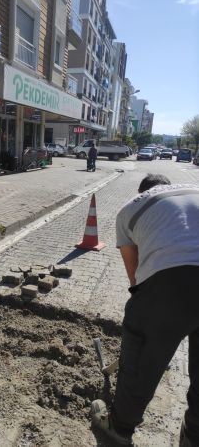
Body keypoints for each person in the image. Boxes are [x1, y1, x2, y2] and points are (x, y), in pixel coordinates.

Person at [91, 173, 199, 447]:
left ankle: (119, 428)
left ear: (142, 191)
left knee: (141, 360)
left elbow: (135, 277)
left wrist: (149, 326)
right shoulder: (194, 190)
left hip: (170, 284)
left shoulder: (132, 208)